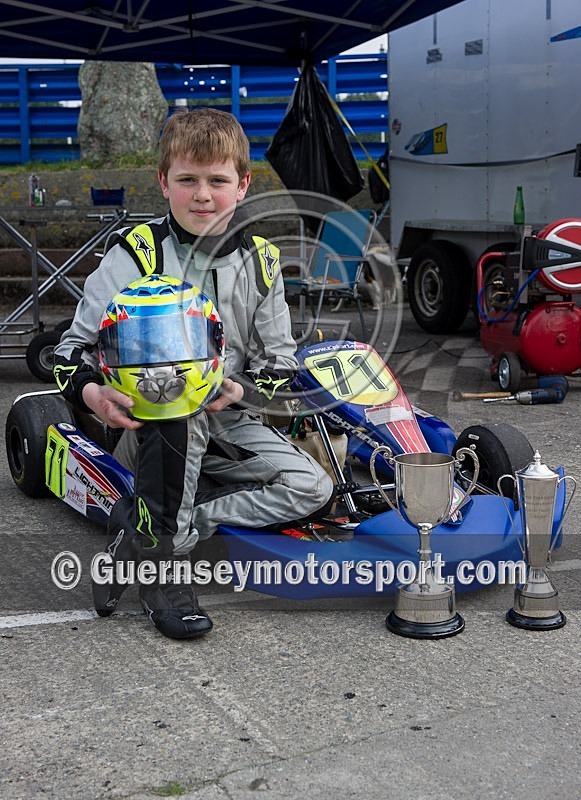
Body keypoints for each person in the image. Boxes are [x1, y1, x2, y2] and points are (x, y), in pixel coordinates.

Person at [53, 108, 334, 640]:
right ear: (164, 183)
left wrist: (241, 390)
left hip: (224, 414)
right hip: (146, 422)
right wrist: (93, 393)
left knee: (312, 487)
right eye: (187, 180)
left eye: (217, 181)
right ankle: (165, 569)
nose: (203, 195)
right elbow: (68, 352)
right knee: (177, 411)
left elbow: (281, 362)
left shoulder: (263, 261)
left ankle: (146, 529)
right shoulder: (134, 254)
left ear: (243, 185)